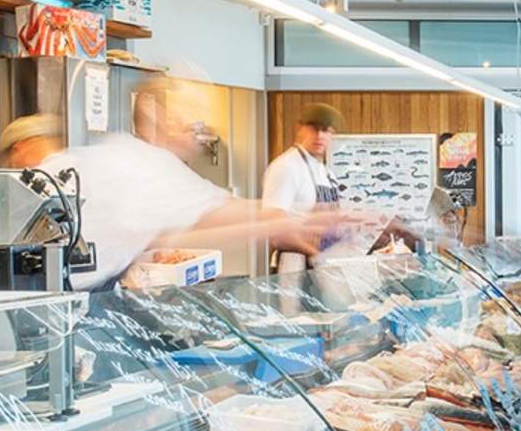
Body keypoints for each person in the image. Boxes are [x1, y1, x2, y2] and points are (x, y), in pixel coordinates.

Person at [40, 77, 330, 291]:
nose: (198, 137)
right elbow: (222, 218)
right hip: (56, 292)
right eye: (192, 125)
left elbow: (226, 210)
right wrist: (297, 221)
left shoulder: (146, 160)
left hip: (75, 288)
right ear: (156, 116)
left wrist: (297, 219)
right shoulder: (145, 166)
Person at [261, 102, 344, 271]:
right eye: (314, 128)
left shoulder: (327, 173)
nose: (319, 136)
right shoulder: (286, 167)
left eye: (326, 130)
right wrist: (316, 254)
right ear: (300, 129)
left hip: (322, 265)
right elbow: (275, 230)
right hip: (294, 266)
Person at [0, 113, 64, 169]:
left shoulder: (42, 174)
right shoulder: (65, 163)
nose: (15, 166)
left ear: (19, 148)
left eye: (11, 162)